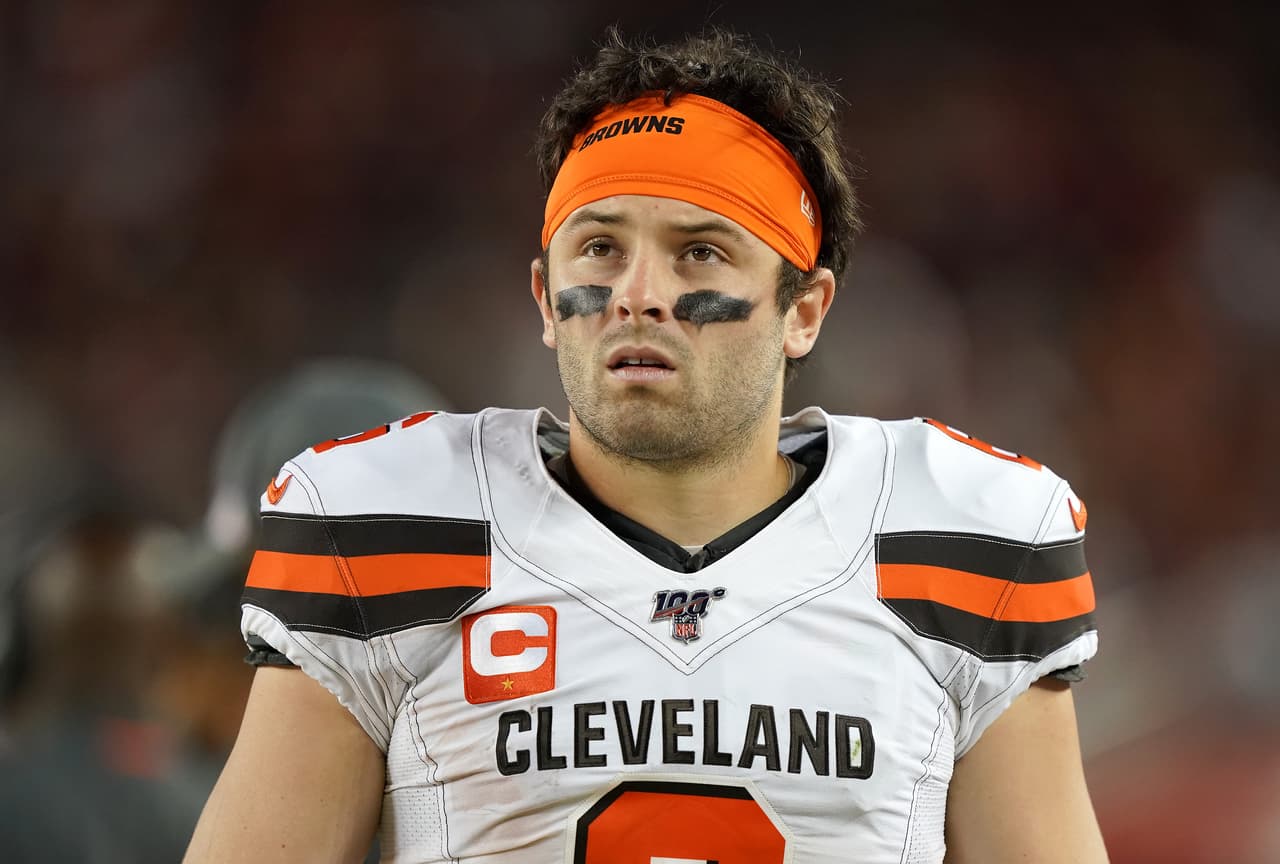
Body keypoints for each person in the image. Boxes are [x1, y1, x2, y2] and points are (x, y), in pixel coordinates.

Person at [184, 29, 1107, 863]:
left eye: (700, 251)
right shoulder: (388, 529)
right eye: (599, 248)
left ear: (804, 312)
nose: (637, 293)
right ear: (546, 298)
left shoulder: (966, 544)